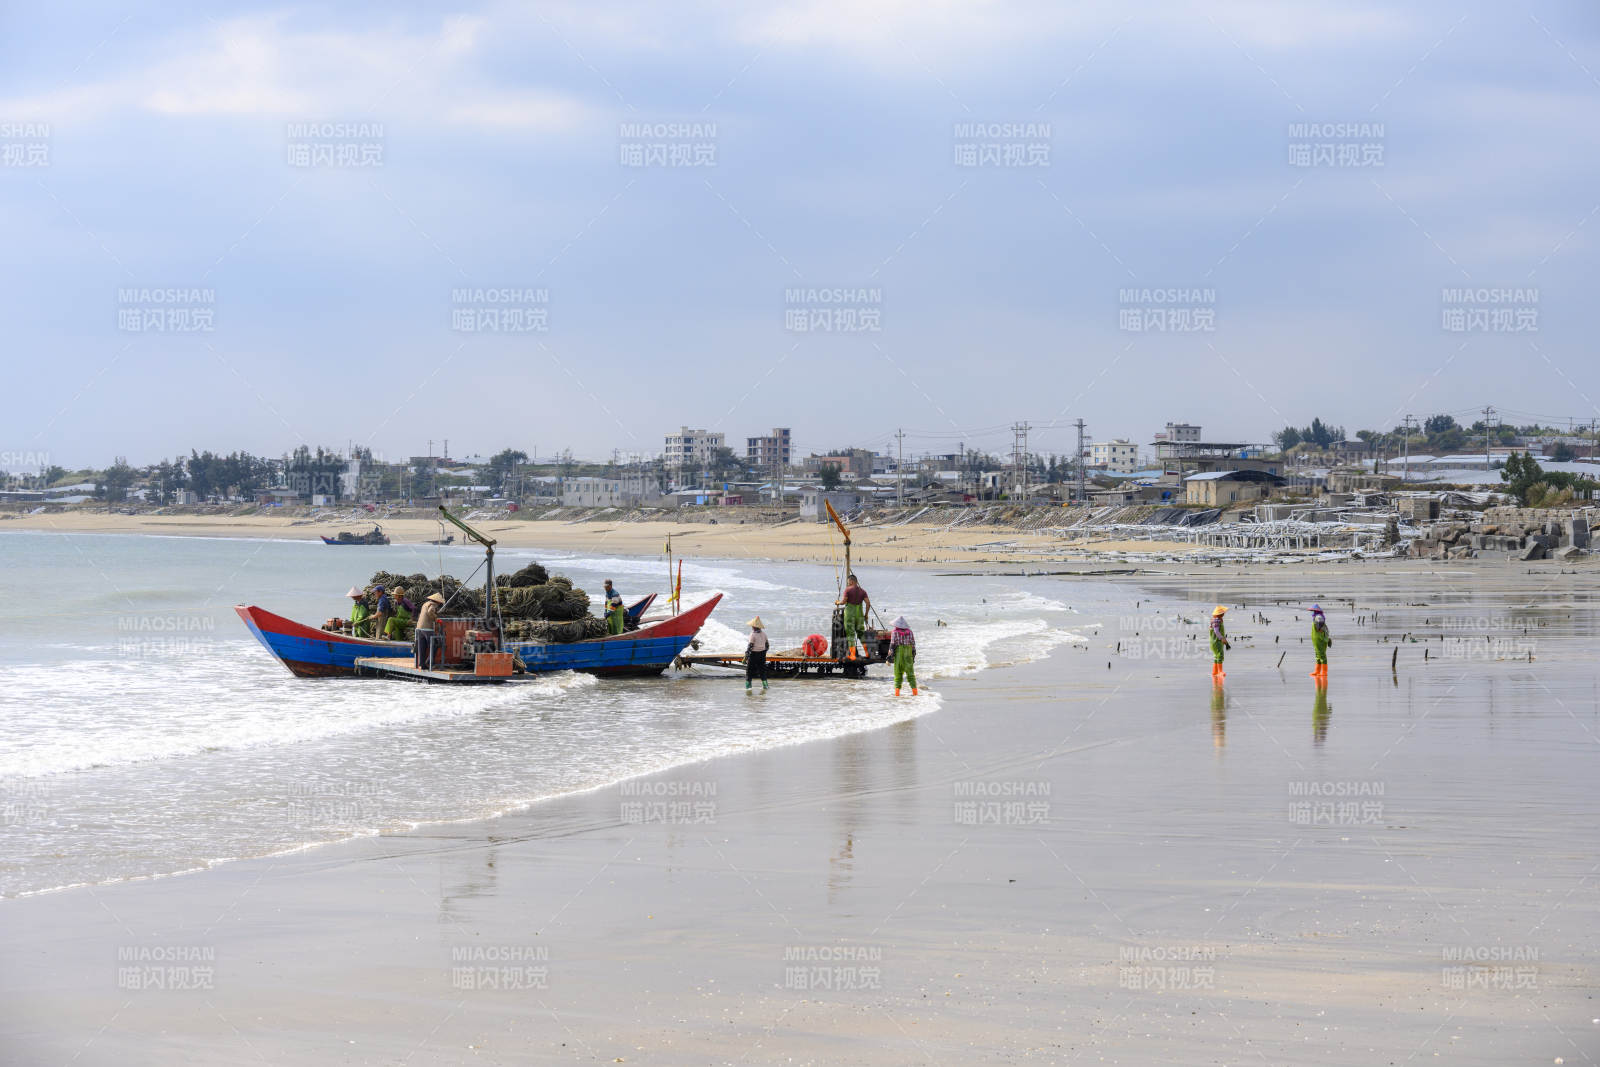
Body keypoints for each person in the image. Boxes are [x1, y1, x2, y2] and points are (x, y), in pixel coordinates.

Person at [835, 574, 871, 659]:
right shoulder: (863, 591)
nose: (848, 584)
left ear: (851, 581)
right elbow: (868, 603)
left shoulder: (848, 590)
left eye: (848, 582)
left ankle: (853, 655)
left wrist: (837, 603)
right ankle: (867, 653)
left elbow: (843, 602)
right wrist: (866, 614)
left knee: (850, 634)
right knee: (861, 634)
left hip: (850, 616)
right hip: (859, 616)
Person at [415, 592, 445, 669]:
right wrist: (436, 618)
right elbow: (430, 611)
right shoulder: (433, 605)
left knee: (422, 647)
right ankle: (429, 662)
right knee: (434, 645)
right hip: (427, 628)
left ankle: (422, 664)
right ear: (437, 601)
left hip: (419, 628)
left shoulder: (425, 604)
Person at [889, 615, 918, 696]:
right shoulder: (910, 632)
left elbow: (892, 646)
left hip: (899, 655)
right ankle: (915, 693)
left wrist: (889, 657)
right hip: (908, 655)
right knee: (911, 675)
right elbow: (913, 646)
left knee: (898, 675)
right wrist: (913, 657)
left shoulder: (894, 632)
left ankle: (897, 695)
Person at [745, 616, 770, 691]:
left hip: (753, 654)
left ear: (754, 627)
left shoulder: (752, 634)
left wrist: (746, 656)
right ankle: (765, 685)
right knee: (762, 670)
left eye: (752, 626)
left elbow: (750, 646)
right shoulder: (764, 634)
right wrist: (763, 651)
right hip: (762, 654)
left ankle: (748, 687)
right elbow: (767, 646)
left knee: (749, 670)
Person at [1310, 604, 1332, 679]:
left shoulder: (1318, 617)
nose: (1313, 612)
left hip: (1320, 639)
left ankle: (1324, 672)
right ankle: (1317, 671)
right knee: (1317, 655)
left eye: (1314, 611)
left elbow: (1321, 623)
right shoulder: (1316, 617)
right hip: (1316, 640)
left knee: (1322, 655)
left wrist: (1319, 629)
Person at [1209, 605, 1231, 681]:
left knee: (1216, 656)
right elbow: (1216, 631)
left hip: (1213, 641)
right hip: (1217, 641)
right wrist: (1222, 638)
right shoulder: (1217, 620)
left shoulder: (1214, 620)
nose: (1224, 614)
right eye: (1223, 613)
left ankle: (1214, 672)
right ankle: (1220, 671)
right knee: (1220, 655)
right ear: (1220, 614)